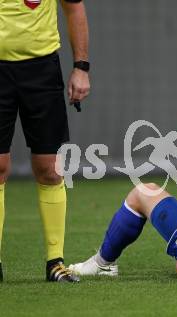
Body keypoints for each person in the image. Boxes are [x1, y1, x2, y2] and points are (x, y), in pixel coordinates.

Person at [0, 0, 90, 282]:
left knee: (50, 169)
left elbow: (74, 7)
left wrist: (81, 67)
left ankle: (55, 262)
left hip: (42, 70)